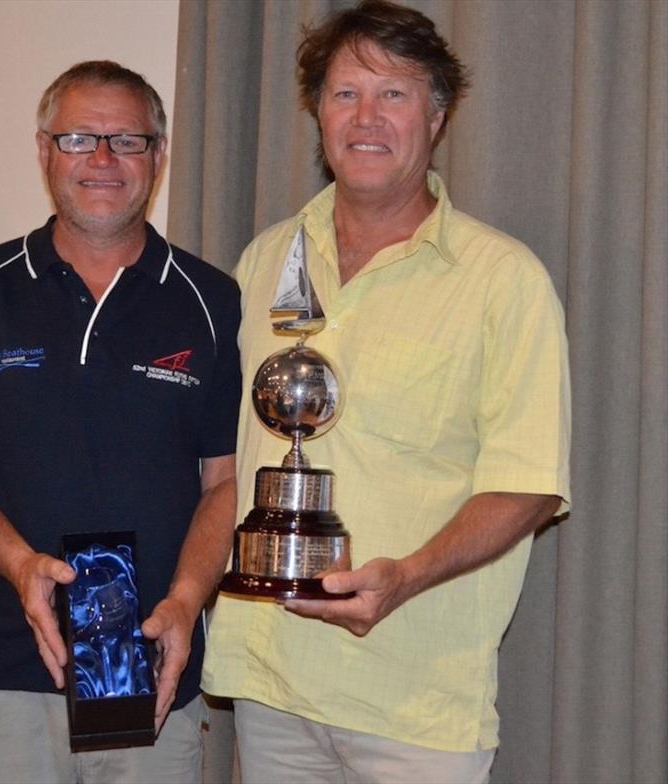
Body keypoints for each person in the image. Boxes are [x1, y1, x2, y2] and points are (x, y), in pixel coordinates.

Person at [203, 2, 570, 782]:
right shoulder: (264, 260)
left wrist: (405, 576)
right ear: (317, 114)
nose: (366, 118)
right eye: (344, 94)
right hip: (271, 685)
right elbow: (223, 465)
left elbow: (528, 484)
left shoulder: (504, 282)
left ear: (437, 117)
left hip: (416, 700)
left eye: (394, 94)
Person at [0, 61, 241, 784]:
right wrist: (18, 565)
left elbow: (225, 484)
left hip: (154, 675)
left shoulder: (210, 299)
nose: (102, 160)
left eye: (127, 140)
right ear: (45, 151)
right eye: (79, 138)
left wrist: (185, 602)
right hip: (4, 670)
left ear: (158, 157)